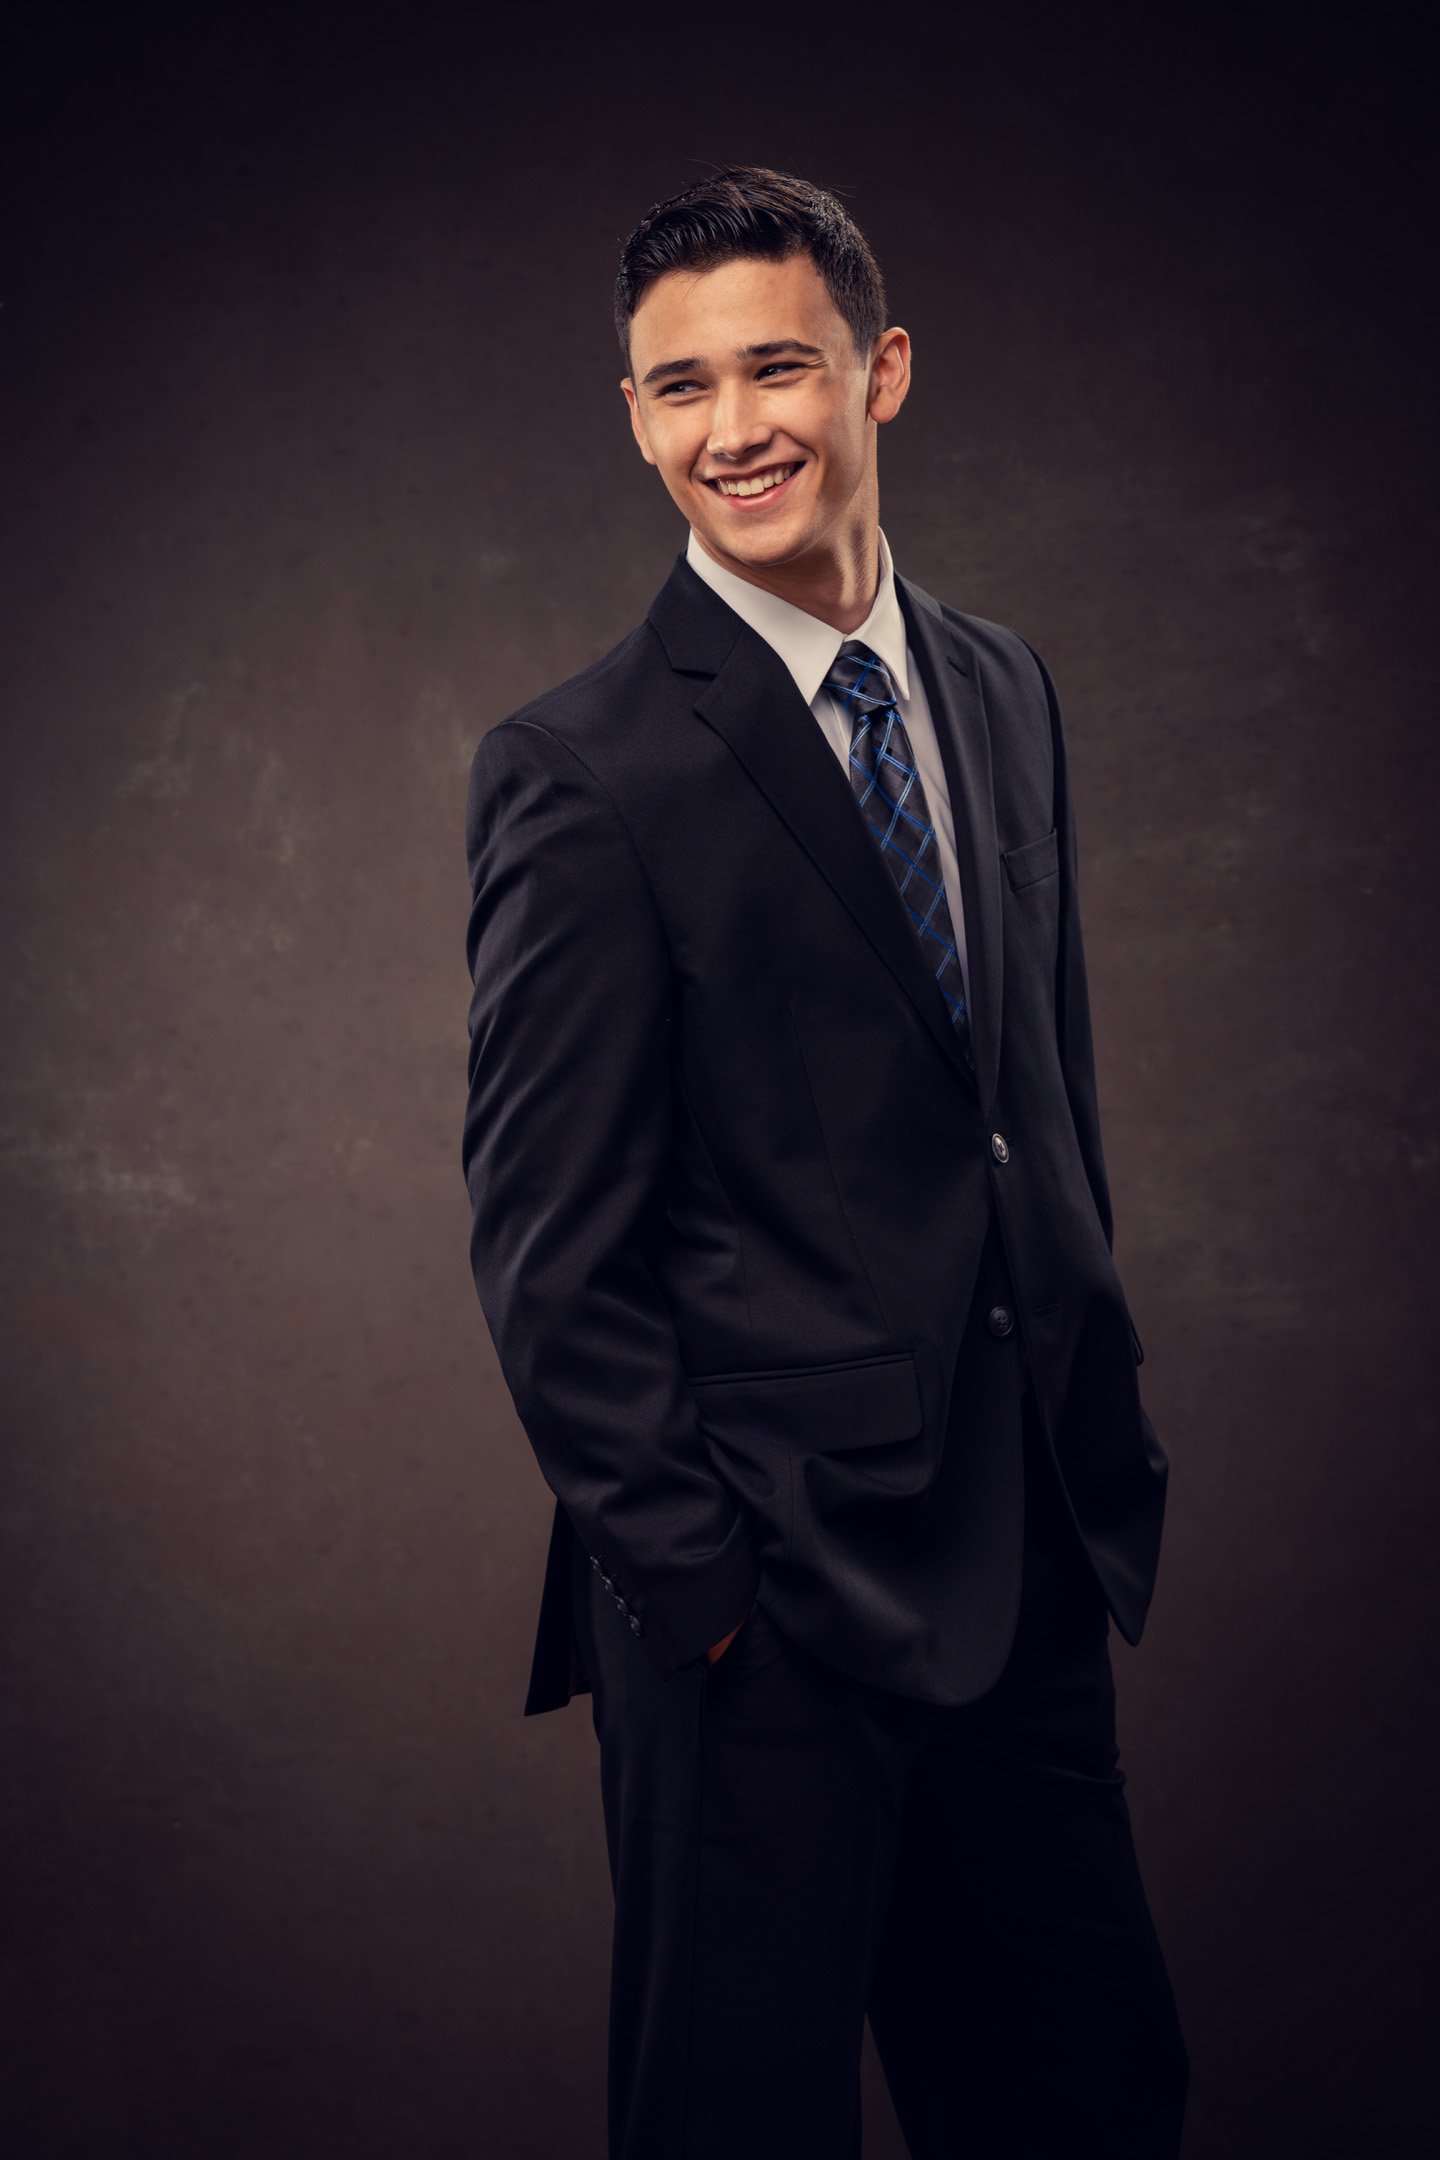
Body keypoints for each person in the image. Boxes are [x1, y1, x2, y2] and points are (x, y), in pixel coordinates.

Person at [461, 164, 1189, 2159]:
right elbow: (548, 1254)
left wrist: (1085, 1433)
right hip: (760, 1619)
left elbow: (1030, 1099)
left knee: (1091, 2102)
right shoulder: (583, 770)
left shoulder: (1002, 686)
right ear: (634, 418)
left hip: (1025, 1561)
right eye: (677, 388)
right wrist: (702, 1596)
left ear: (880, 369)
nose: (733, 428)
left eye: (775, 366)